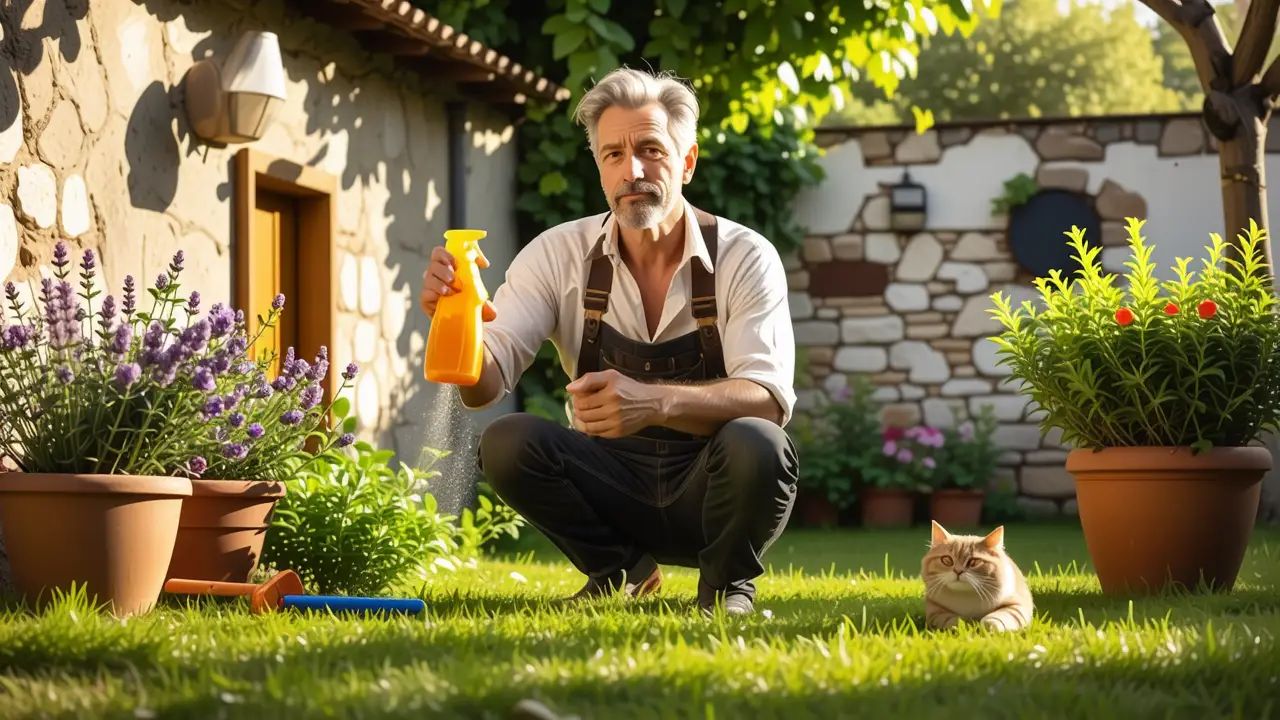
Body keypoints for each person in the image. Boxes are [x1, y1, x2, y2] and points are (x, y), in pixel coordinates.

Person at [418, 67, 799, 617]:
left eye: (651, 149)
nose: (633, 171)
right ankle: (621, 569)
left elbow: (768, 398)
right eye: (613, 154)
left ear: (687, 162)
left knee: (760, 443)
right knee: (507, 441)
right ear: (598, 166)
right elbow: (483, 388)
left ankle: (726, 587)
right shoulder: (557, 254)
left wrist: (656, 401)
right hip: (610, 484)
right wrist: (457, 317)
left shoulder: (745, 256)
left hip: (714, 490)